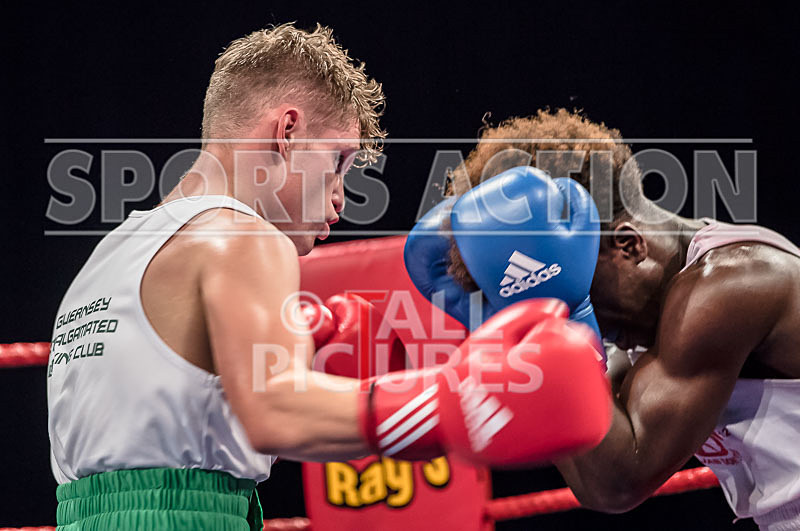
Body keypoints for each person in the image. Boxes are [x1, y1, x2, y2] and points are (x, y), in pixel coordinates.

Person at [46, 28, 611, 529]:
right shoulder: (247, 237)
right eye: (339, 160)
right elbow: (276, 414)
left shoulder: (115, 252)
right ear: (287, 131)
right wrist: (448, 400)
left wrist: (304, 341)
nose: (341, 197)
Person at [407, 108, 800, 530]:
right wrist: (518, 331)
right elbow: (595, 482)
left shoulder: (730, 286)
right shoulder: (634, 333)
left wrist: (552, 325)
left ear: (628, 245)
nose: (562, 310)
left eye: (576, 287)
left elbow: (622, 482)